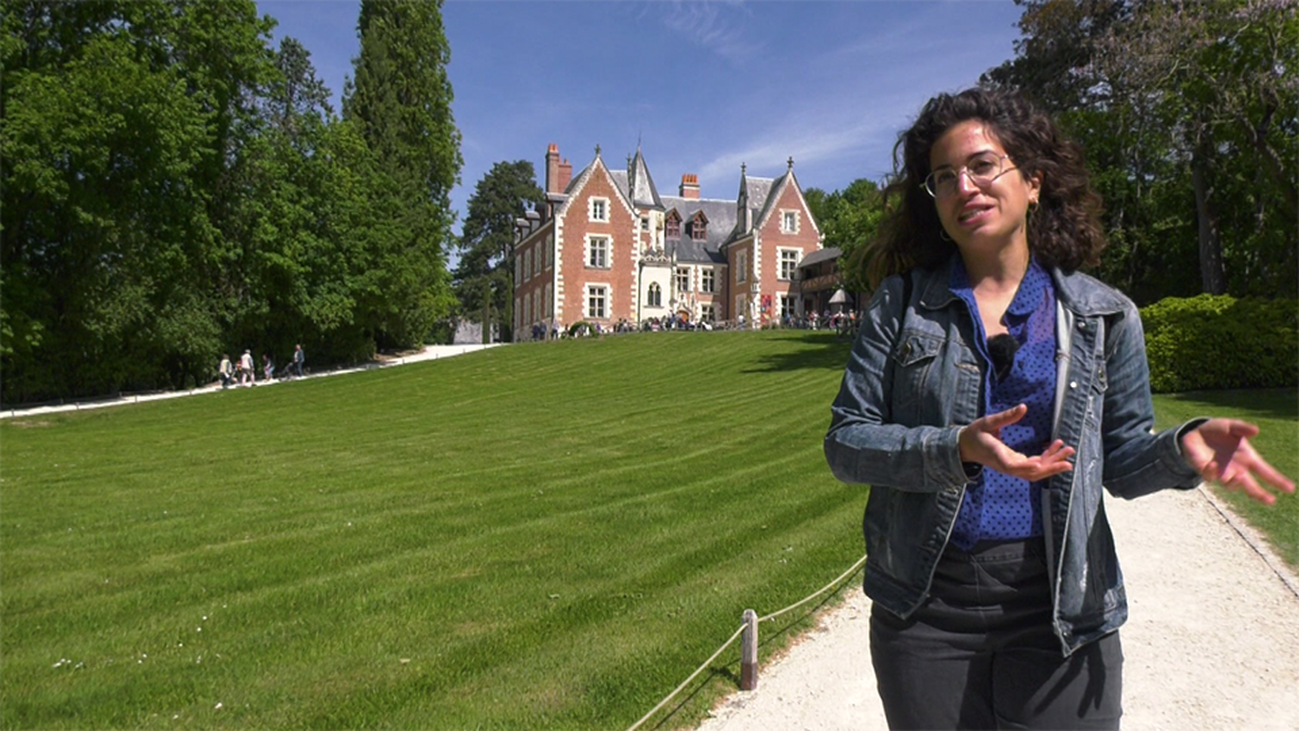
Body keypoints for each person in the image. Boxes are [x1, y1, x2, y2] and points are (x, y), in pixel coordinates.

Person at [823, 87, 1294, 731]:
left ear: (1034, 182)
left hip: (1062, 610)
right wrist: (954, 448)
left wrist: (1180, 450)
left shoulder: (1103, 315)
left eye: (983, 165)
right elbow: (847, 444)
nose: (965, 185)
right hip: (926, 611)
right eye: (943, 177)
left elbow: (1123, 464)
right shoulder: (900, 307)